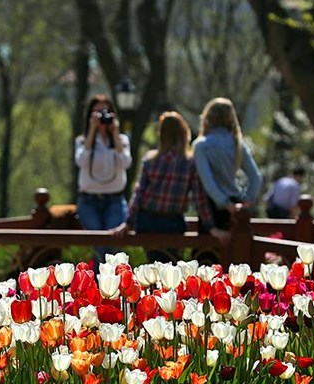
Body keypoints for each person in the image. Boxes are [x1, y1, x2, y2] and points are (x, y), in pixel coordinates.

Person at [112, 111, 230, 263]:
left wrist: (128, 223)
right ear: (184, 133)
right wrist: (211, 227)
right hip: (172, 223)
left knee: (156, 262)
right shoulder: (190, 163)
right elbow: (199, 200)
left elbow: (139, 194)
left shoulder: (150, 160)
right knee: (170, 264)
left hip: (146, 221)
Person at [75, 94, 133, 269]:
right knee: (99, 245)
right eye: (98, 112)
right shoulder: (82, 141)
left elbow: (126, 162)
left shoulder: (121, 140)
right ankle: (99, 289)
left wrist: (115, 134)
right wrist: (92, 132)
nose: (103, 116)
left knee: (111, 245)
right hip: (89, 201)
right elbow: (81, 161)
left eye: (106, 112)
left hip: (114, 200)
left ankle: (109, 287)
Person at [192, 97, 263, 231]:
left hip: (212, 207)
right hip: (236, 203)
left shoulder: (201, 146)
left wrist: (224, 203)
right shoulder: (237, 144)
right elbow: (256, 177)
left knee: (207, 251)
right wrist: (246, 201)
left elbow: (208, 181)